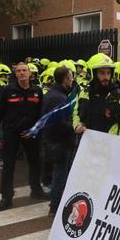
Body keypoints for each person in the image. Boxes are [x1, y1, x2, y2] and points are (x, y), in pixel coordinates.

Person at [0, 62, 46, 211]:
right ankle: (6, 198)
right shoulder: (7, 90)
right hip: (11, 133)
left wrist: (37, 130)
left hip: (31, 134)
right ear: (15, 74)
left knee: (35, 162)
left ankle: (36, 191)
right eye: (19, 71)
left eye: (24, 70)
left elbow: (41, 115)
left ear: (30, 73)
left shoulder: (37, 91)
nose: (22, 73)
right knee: (8, 165)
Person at [43, 66, 77, 216]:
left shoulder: (56, 94)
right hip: (60, 142)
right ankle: (55, 206)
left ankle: (56, 203)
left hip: (58, 140)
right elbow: (58, 122)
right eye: (71, 77)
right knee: (60, 174)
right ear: (65, 79)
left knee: (61, 173)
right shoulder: (58, 97)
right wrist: (74, 127)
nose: (73, 80)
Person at [74, 53, 120, 138]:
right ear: (92, 74)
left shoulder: (119, 97)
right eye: (102, 73)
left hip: (110, 144)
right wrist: (76, 125)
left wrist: (119, 143)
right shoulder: (84, 93)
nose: (106, 77)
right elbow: (75, 113)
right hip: (86, 143)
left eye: (108, 73)